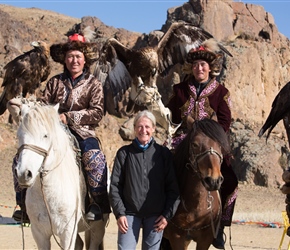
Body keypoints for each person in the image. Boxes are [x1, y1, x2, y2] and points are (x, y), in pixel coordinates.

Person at [11, 33, 111, 224]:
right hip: (52, 132)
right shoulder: (54, 82)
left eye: (78, 57)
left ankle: (97, 204)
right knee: (19, 158)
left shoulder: (94, 84)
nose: (74, 60)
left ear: (85, 60)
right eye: (70, 57)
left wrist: (69, 116)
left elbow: (97, 112)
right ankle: (23, 205)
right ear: (65, 60)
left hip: (83, 133)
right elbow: (43, 104)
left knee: (94, 159)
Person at [166, 39, 238, 249]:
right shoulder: (179, 90)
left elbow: (225, 121)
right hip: (181, 140)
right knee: (162, 170)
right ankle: (163, 222)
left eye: (203, 65)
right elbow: (169, 115)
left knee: (232, 180)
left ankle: (219, 227)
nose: (199, 68)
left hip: (212, 142)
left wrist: (210, 133)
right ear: (191, 67)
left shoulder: (221, 92)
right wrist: (182, 124)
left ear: (210, 68)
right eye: (196, 64)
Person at [109, 110, 180, 250]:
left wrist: (166, 215)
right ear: (134, 128)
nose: (144, 130)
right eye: (140, 126)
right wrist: (120, 213)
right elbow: (115, 186)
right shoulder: (124, 153)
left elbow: (173, 188)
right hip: (129, 214)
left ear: (153, 128)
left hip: (156, 216)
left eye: (147, 127)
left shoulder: (163, 154)